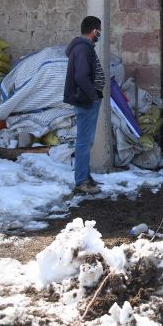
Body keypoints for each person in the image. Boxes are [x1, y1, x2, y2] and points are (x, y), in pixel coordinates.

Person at [63, 16, 106, 194]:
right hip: (86, 101)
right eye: (99, 31)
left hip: (87, 100)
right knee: (83, 142)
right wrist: (93, 96)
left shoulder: (83, 48)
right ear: (94, 31)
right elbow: (81, 77)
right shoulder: (82, 49)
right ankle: (81, 181)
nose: (100, 34)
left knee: (86, 141)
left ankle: (85, 177)